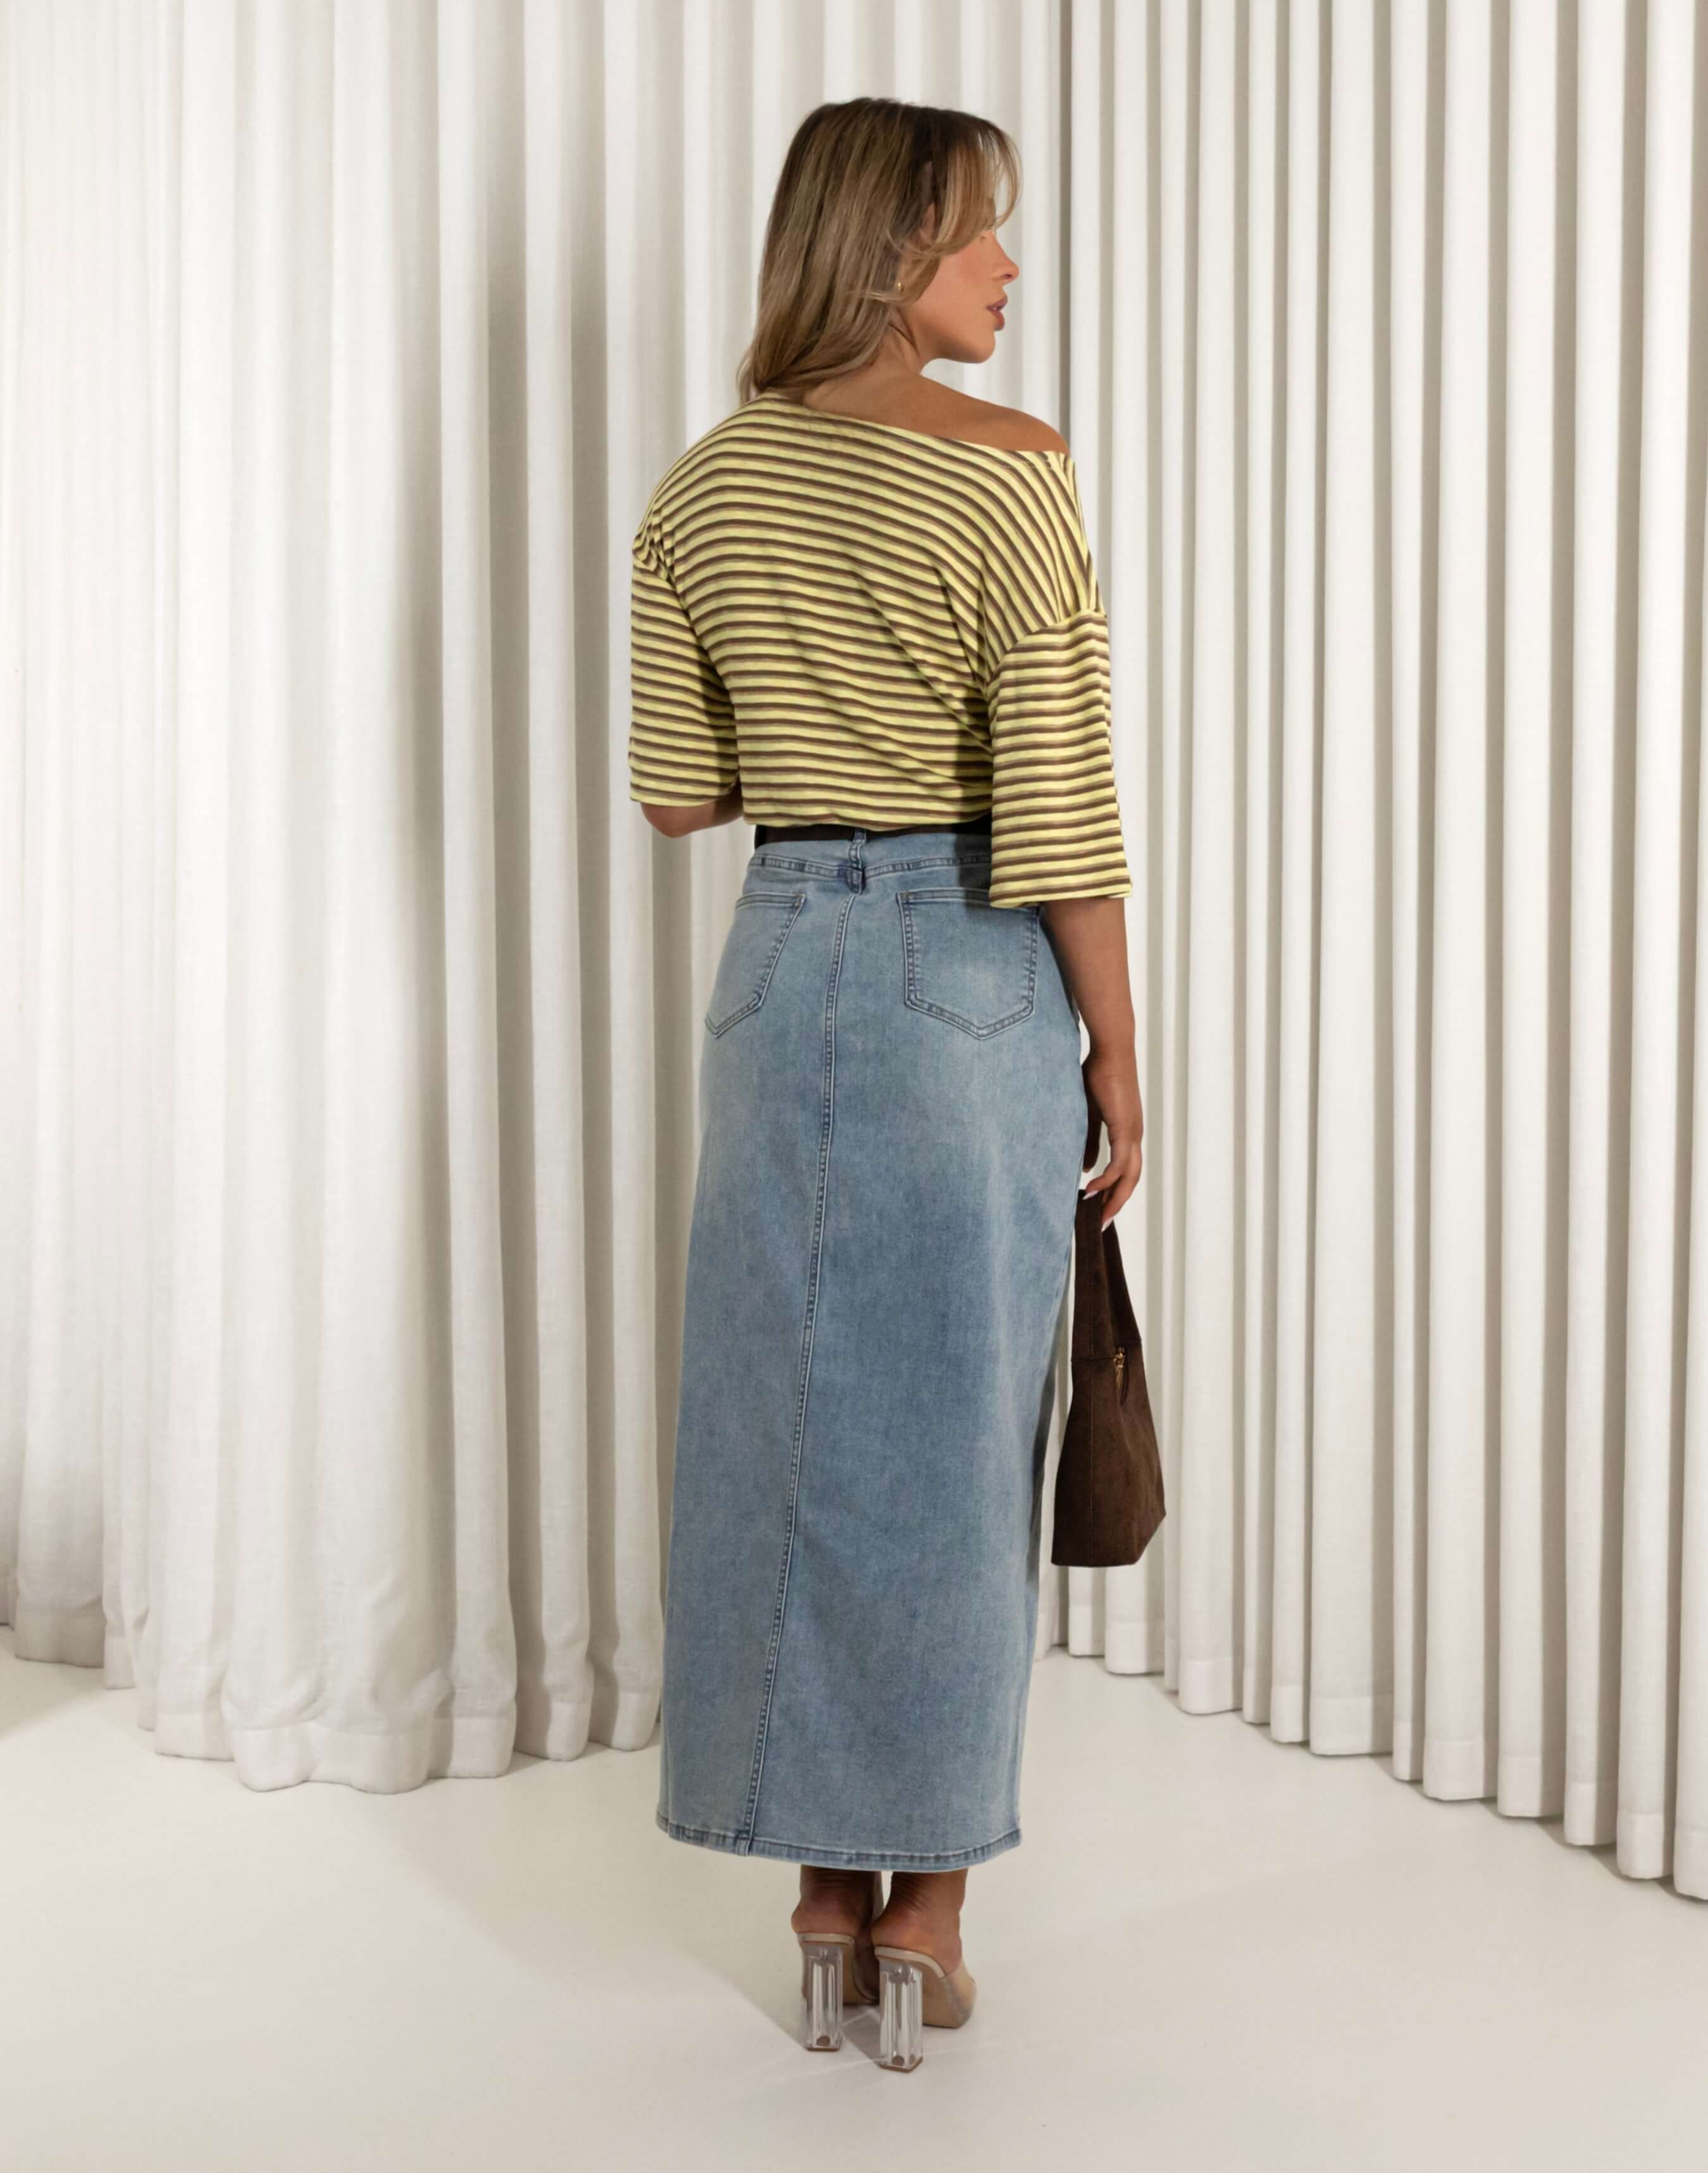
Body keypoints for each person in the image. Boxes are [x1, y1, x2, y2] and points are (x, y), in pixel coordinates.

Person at [627, 96, 1144, 2068]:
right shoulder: (1009, 470)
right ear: (889, 247)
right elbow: (1058, 803)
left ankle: (816, 1892)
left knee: (776, 1422)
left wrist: (815, 697)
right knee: (951, 1429)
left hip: (778, 968)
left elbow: (680, 793)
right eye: (979, 233)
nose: (1007, 267)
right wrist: (1117, 1048)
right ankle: (925, 1909)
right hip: (964, 962)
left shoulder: (700, 487)